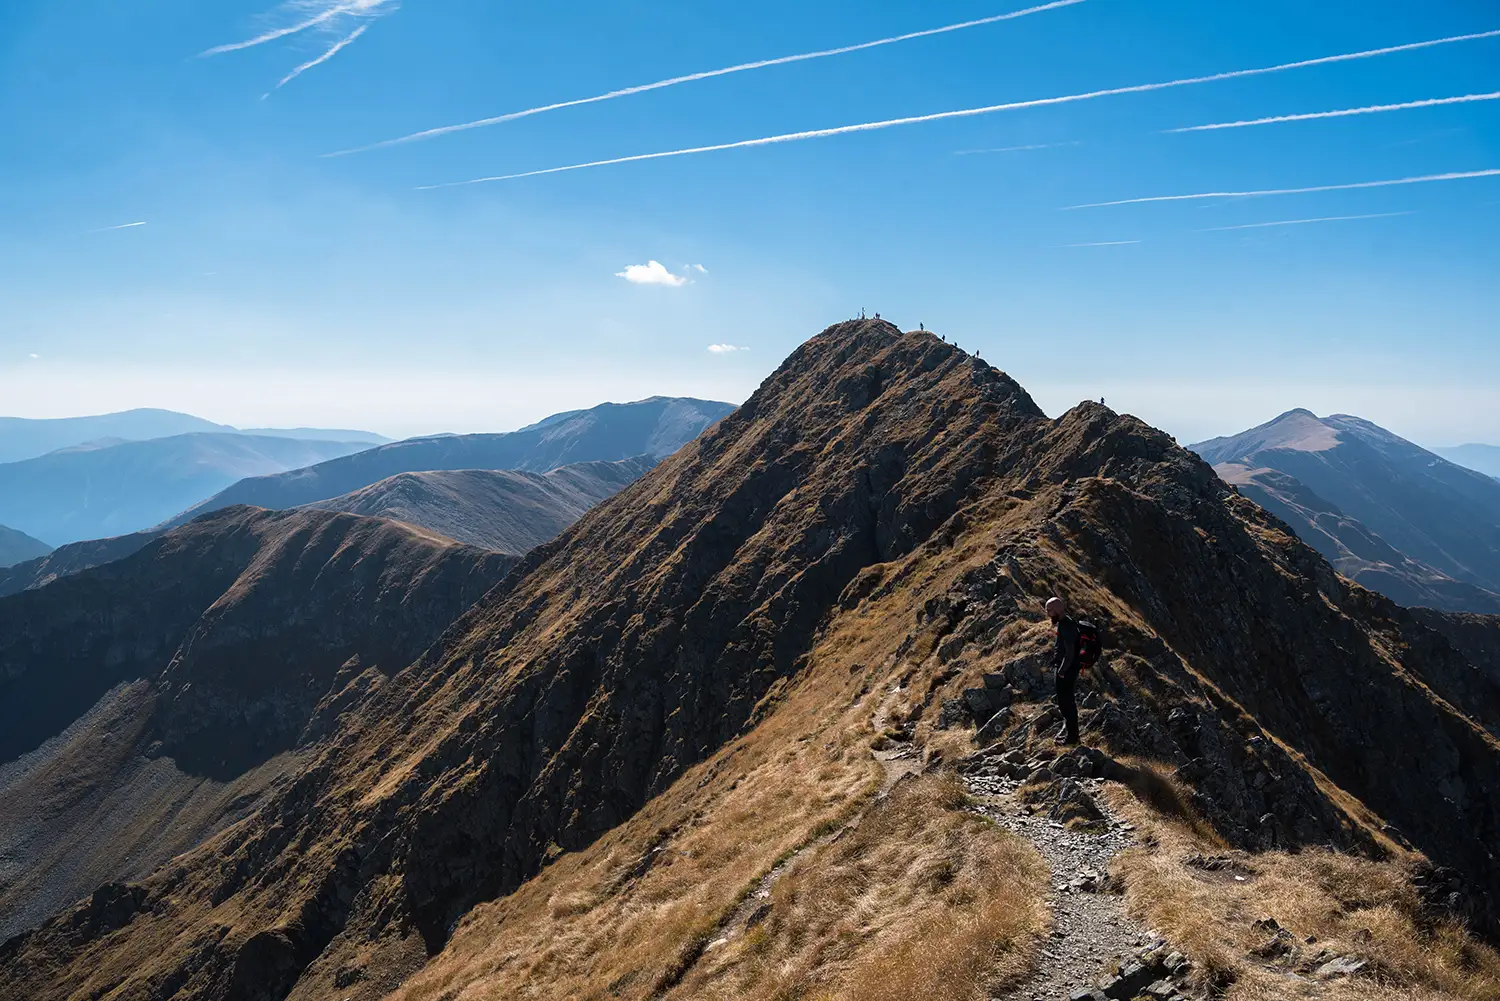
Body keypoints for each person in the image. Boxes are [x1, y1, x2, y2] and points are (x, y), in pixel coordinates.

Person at [1047, 595, 1082, 745]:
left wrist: (1061, 671)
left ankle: (1072, 739)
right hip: (1067, 669)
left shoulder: (1066, 626)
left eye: (1049, 610)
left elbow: (1070, 653)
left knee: (1066, 704)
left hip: (1067, 671)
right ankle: (1071, 735)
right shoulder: (1065, 622)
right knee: (1066, 703)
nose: (1047, 613)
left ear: (1057, 610)